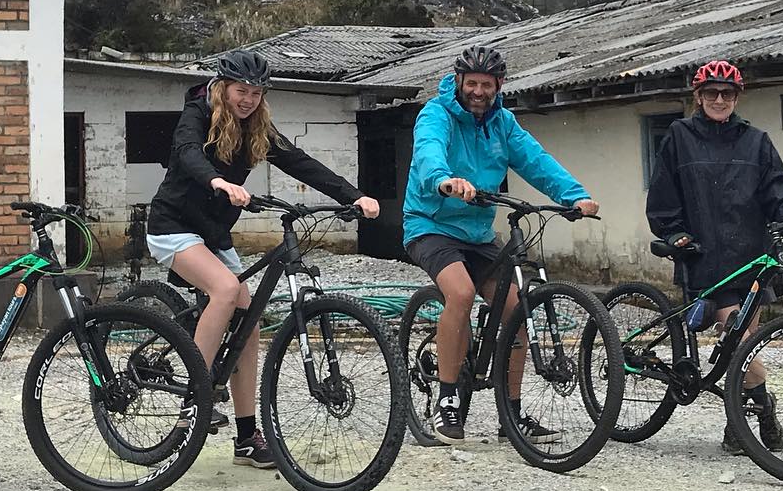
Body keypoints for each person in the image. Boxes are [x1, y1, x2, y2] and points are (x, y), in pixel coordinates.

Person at [146, 49, 380, 468]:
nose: (248, 99)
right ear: (224, 87)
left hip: (213, 234)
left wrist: (354, 196)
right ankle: (196, 395)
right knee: (226, 289)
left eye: (256, 93)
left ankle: (246, 438)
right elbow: (187, 152)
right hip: (172, 226)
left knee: (248, 323)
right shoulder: (198, 112)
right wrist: (217, 181)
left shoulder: (257, 127)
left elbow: (301, 163)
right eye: (241, 91)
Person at [402, 45, 599, 446]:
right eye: (471, 83)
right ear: (458, 81)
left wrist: (575, 195)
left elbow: (536, 161)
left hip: (477, 233)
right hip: (431, 224)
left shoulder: (503, 123)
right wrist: (444, 180)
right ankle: (447, 400)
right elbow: (428, 152)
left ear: (499, 86)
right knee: (461, 293)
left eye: (486, 85)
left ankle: (511, 413)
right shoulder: (436, 114)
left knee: (516, 310)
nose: (478, 91)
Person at [644, 58, 783, 455]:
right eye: (711, 92)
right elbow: (664, 193)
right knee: (738, 338)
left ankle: (738, 421)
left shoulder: (757, 141)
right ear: (698, 96)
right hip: (704, 257)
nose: (719, 99)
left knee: (743, 344)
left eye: (727, 93)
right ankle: (762, 409)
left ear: (737, 97)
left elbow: (777, 186)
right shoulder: (679, 136)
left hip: (751, 257)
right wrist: (674, 231)